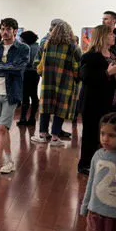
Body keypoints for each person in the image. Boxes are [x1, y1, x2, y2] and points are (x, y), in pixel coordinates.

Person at [0, 18, 29, 177]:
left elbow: (19, 68)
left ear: (15, 31)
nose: (5, 32)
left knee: (2, 128)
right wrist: (7, 67)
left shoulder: (22, 48)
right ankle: (10, 161)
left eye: (8, 29)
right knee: (1, 129)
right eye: (3, 29)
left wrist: (0, 66)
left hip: (11, 93)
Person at [77, 25, 116, 174]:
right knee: (91, 135)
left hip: (111, 101)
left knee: (107, 135)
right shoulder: (90, 56)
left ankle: (103, 164)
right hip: (93, 103)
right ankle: (85, 164)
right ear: (102, 36)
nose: (114, 36)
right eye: (110, 34)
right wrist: (107, 73)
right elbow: (85, 78)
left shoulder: (113, 55)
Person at [31, 20, 80, 148]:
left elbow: (37, 62)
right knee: (60, 109)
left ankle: (42, 135)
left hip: (48, 82)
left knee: (45, 107)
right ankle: (55, 137)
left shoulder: (46, 44)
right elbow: (78, 66)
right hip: (66, 82)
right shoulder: (73, 47)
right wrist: (76, 77)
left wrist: (43, 73)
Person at [17, 31, 40, 127]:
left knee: (25, 96)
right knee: (34, 95)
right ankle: (32, 118)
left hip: (27, 73)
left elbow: (25, 62)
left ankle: (23, 118)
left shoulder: (27, 48)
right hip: (35, 74)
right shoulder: (38, 47)